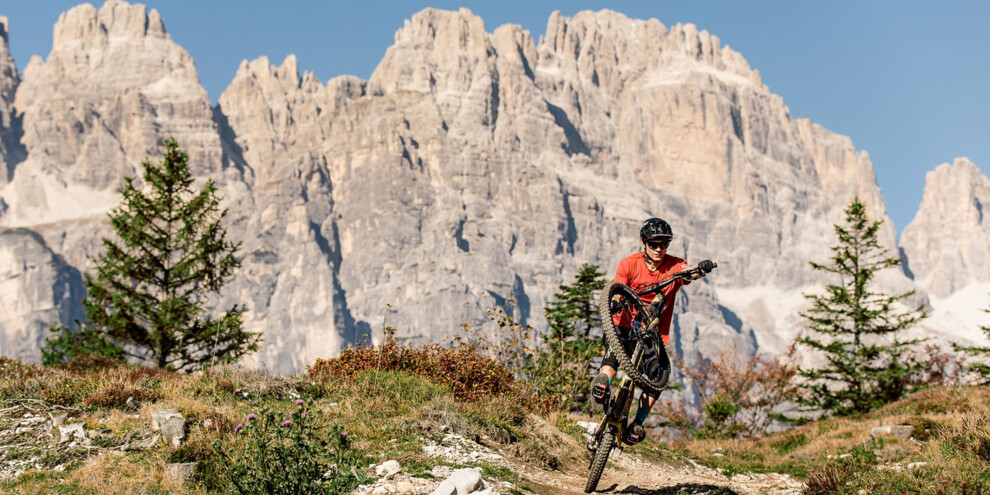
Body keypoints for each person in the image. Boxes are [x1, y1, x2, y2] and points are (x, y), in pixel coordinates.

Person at [591, 217, 702, 445]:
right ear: (644, 243)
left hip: (651, 334)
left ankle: (638, 422)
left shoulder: (674, 265)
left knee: (657, 378)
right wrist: (617, 300)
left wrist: (700, 270)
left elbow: (688, 272)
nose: (659, 249)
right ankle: (603, 383)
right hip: (622, 325)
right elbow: (618, 287)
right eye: (654, 244)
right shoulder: (628, 263)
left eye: (664, 244)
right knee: (611, 361)